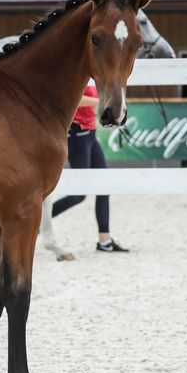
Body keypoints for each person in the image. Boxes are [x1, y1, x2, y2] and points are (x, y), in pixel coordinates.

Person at [52, 85, 129, 252]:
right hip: (77, 136)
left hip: (90, 135)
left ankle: (104, 240)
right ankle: (41, 221)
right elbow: (76, 100)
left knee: (104, 187)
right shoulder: (76, 75)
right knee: (78, 195)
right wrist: (102, 102)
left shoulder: (92, 77)